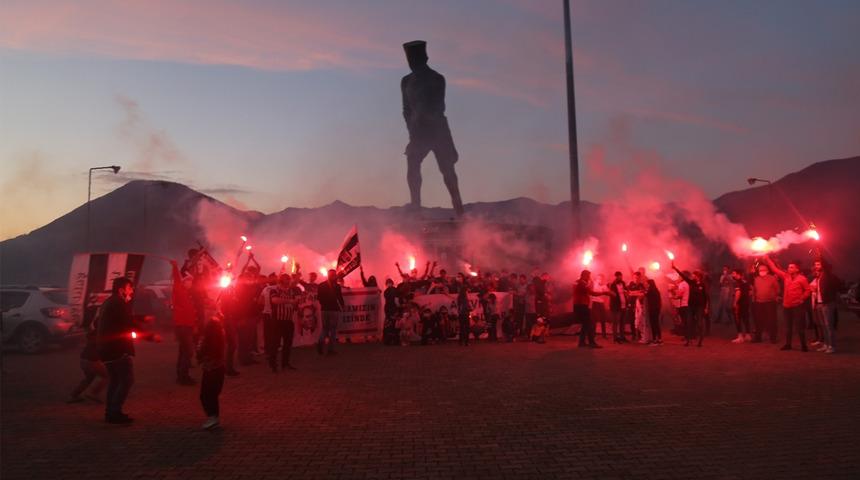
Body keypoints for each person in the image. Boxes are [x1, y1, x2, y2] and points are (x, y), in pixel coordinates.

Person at [401, 40, 464, 216]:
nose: (411, 61)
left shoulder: (437, 78)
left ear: (424, 57)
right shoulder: (406, 81)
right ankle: (416, 206)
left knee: (447, 170)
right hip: (417, 132)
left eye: (414, 58)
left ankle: (458, 208)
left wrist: (424, 118)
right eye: (409, 58)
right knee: (412, 163)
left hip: (438, 130)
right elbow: (406, 109)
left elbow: (438, 107)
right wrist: (413, 129)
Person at [96, 277, 138, 424]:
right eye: (130, 288)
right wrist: (150, 334)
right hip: (117, 349)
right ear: (121, 290)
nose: (132, 291)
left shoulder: (109, 302)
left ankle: (111, 413)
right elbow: (127, 323)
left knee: (115, 381)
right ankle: (114, 412)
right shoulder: (118, 303)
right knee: (126, 380)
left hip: (106, 349)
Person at [763, 256, 811, 352]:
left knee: (799, 326)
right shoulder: (786, 276)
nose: (789, 268)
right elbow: (774, 269)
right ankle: (788, 344)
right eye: (789, 267)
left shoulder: (802, 279)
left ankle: (803, 345)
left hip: (797, 306)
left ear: (797, 269)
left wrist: (802, 298)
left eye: (792, 267)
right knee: (788, 327)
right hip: (786, 306)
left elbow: (808, 290)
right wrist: (767, 258)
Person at [170, 260, 197, 385]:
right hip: (183, 327)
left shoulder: (186, 294)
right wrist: (175, 266)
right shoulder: (179, 290)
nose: (190, 284)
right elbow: (176, 279)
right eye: (189, 281)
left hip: (186, 326)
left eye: (191, 282)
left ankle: (180, 375)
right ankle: (183, 377)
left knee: (184, 351)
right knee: (188, 351)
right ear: (184, 282)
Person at [197, 315, 226, 430]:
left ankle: (212, 417)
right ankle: (214, 417)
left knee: (206, 395)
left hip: (210, 371)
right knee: (213, 395)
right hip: (219, 370)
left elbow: (199, 352)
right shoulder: (220, 337)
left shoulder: (207, 340)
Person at [67, 326, 108, 403]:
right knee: (107, 376)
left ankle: (73, 395)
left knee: (89, 378)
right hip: (92, 361)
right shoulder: (101, 335)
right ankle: (93, 393)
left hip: (83, 360)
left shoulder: (93, 334)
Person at [810, 259, 843, 354]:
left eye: (819, 265)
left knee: (829, 326)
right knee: (823, 326)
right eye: (815, 265)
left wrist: (831, 296)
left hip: (827, 303)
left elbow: (837, 284)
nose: (816, 266)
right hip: (819, 303)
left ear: (824, 266)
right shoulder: (819, 276)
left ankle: (832, 346)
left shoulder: (828, 276)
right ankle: (826, 344)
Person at [268, 274, 299, 371]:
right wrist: (290, 301)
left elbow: (295, 305)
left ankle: (285, 363)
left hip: (288, 320)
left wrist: (295, 304)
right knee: (275, 343)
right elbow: (274, 300)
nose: (289, 280)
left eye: (289, 279)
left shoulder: (291, 291)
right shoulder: (274, 290)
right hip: (277, 320)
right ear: (281, 280)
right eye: (287, 279)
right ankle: (273, 364)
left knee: (288, 343)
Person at [573, 270, 610, 348]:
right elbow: (592, 293)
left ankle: (582, 342)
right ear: (584, 276)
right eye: (588, 276)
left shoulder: (580, 282)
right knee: (589, 323)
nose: (589, 277)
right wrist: (604, 293)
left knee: (586, 324)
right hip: (581, 306)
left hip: (580, 306)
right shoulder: (581, 283)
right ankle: (591, 342)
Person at [671, 262, 705, 347]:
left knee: (699, 323)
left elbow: (705, 296)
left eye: (694, 275)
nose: (692, 276)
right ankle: (688, 341)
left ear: (698, 276)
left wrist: (706, 307)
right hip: (690, 306)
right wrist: (675, 268)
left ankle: (700, 340)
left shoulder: (702, 284)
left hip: (699, 306)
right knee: (689, 322)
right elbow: (683, 276)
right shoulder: (691, 282)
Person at [317, 269, 344, 356]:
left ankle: (320, 342)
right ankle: (330, 350)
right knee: (332, 330)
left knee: (325, 329)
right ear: (334, 275)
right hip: (334, 310)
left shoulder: (321, 285)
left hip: (324, 310)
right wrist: (342, 306)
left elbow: (319, 298)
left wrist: (324, 305)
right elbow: (340, 298)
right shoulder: (337, 286)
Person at [751, 262, 779, 343]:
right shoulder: (756, 279)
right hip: (759, 303)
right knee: (758, 320)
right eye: (760, 270)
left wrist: (775, 296)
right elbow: (754, 290)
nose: (761, 271)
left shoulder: (772, 278)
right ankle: (758, 337)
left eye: (763, 270)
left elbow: (777, 289)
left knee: (772, 320)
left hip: (770, 303)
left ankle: (773, 338)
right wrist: (754, 299)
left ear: (767, 270)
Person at [730, 269, 752, 343]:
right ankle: (748, 335)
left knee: (738, 320)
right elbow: (750, 292)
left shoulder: (736, 282)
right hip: (746, 303)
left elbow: (738, 293)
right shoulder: (745, 282)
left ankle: (740, 337)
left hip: (739, 304)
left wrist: (735, 303)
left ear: (738, 274)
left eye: (733, 273)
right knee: (746, 319)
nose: (732, 274)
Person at [608, 272, 628, 343]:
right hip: (616, 307)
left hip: (624, 305)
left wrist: (626, 293)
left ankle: (622, 337)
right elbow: (612, 295)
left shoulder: (623, 283)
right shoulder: (612, 285)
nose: (620, 277)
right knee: (616, 322)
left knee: (622, 322)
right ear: (616, 277)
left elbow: (626, 292)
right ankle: (615, 338)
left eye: (621, 276)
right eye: (619, 276)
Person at [590, 274, 610, 338]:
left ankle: (604, 335)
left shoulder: (604, 286)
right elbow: (590, 280)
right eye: (598, 278)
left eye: (601, 279)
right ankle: (593, 334)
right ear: (596, 279)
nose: (600, 280)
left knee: (603, 319)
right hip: (595, 302)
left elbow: (608, 292)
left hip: (601, 303)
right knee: (594, 320)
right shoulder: (593, 283)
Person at [644, 275, 663, 345]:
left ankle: (655, 339)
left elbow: (644, 295)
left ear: (649, 284)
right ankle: (660, 339)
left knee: (653, 324)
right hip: (657, 308)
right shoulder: (656, 289)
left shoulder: (650, 290)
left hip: (652, 309)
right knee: (657, 323)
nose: (645, 284)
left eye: (646, 283)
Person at [457, 281, 471, 346]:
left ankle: (461, 341)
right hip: (465, 314)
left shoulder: (459, 297)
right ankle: (466, 342)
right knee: (467, 328)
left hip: (461, 314)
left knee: (462, 328)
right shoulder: (465, 298)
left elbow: (459, 306)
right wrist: (469, 309)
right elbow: (466, 307)